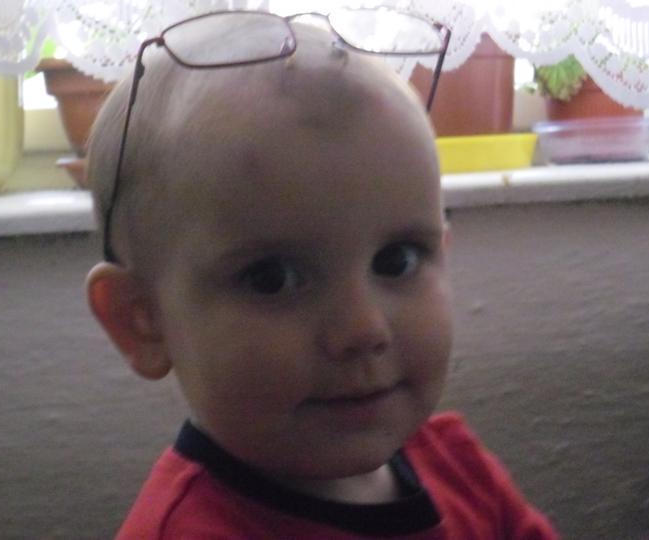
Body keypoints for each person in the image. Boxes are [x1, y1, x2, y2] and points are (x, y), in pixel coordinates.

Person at [85, 8, 558, 539]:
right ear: (142, 322)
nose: (363, 329)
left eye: (396, 260)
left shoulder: (457, 467)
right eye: (272, 278)